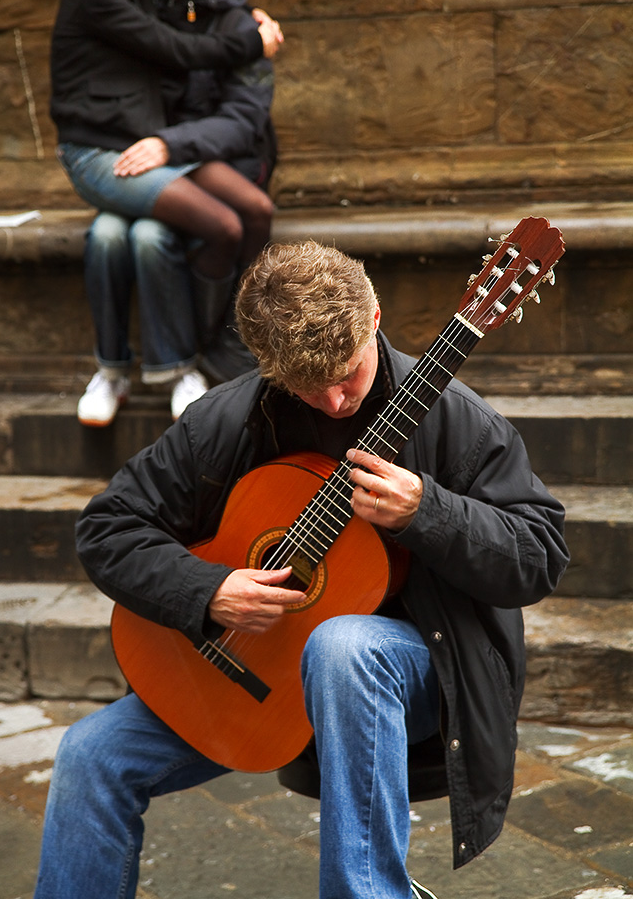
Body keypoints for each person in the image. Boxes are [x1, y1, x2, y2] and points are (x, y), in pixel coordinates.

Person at [33, 240, 570, 898]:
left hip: (417, 671)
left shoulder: (456, 421)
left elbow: (539, 556)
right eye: (308, 389)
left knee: (342, 646)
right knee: (91, 756)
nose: (337, 402)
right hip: (259, 671)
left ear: (373, 319)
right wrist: (208, 589)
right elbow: (106, 528)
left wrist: (426, 512)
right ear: (266, 366)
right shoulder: (228, 419)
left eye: (348, 373)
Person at [37, 0, 281, 424]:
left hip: (175, 155)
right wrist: (250, 41)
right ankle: (118, 370)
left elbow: (240, 118)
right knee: (111, 235)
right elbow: (174, 49)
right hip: (127, 156)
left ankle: (213, 348)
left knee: (240, 214)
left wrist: (246, 33)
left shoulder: (201, 8)